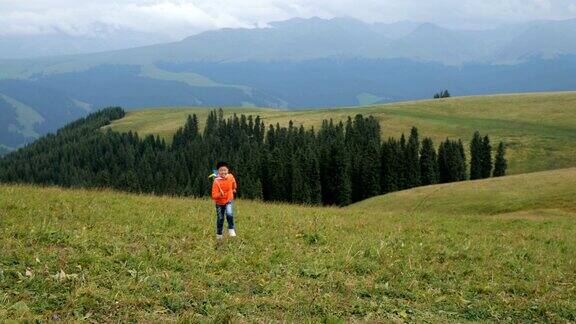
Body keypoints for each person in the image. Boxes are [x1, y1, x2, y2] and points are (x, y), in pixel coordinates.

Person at [211, 161, 237, 239]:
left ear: (228, 170)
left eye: (225, 170)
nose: (223, 172)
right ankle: (219, 235)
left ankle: (231, 229)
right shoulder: (216, 182)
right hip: (219, 203)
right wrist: (219, 194)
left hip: (229, 200)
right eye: (221, 170)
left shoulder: (230, 177)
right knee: (220, 219)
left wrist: (234, 188)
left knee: (229, 214)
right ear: (218, 172)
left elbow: (233, 183)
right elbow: (213, 196)